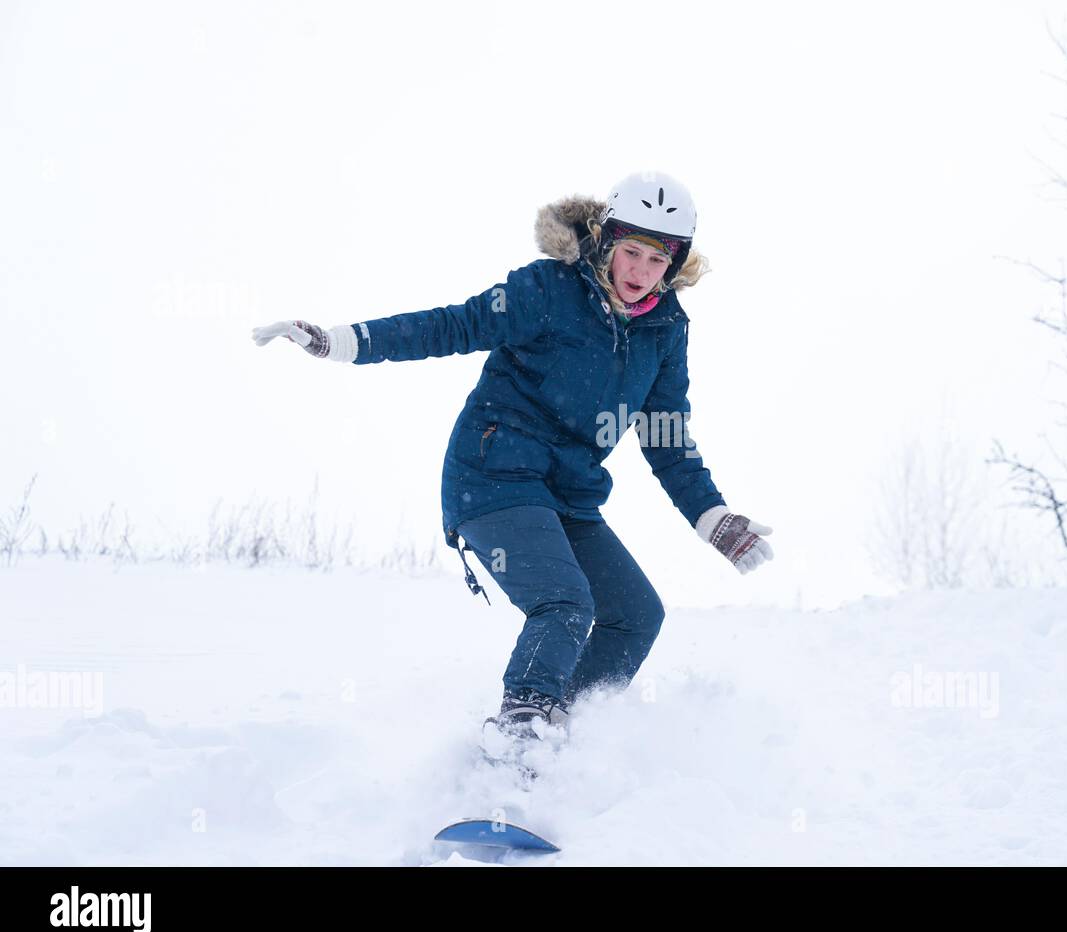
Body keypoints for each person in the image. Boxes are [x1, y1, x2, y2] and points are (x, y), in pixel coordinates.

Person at [251, 171, 773, 739]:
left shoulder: (666, 330)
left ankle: (568, 735)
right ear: (606, 240)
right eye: (631, 253)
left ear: (674, 267)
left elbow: (667, 435)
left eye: (656, 261)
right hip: (492, 477)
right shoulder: (548, 291)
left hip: (567, 497)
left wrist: (712, 516)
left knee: (636, 615)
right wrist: (344, 341)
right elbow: (452, 325)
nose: (640, 273)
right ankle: (515, 740)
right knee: (564, 604)